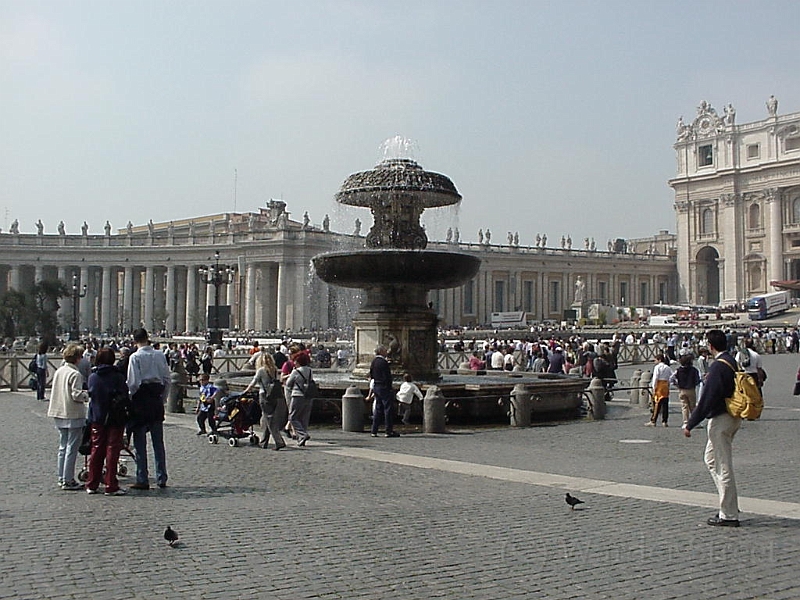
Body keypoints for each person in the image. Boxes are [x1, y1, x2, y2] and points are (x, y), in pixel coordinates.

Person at [683, 329, 741, 527]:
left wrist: (690, 424)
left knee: (723, 466)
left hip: (721, 419)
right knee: (710, 459)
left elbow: (707, 400)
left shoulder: (718, 367)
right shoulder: (732, 361)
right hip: (732, 417)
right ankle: (728, 502)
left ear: (710, 346)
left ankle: (729, 514)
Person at [126, 328, 170, 490]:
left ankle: (142, 478)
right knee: (158, 443)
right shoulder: (159, 355)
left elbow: (133, 383)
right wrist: (163, 399)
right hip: (156, 400)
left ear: (134, 340)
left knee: (140, 443)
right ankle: (161, 477)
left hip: (141, 401)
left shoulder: (135, 357)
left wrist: (131, 400)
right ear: (148, 338)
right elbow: (167, 379)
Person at [85, 347, 129, 496]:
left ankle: (92, 484)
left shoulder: (93, 376)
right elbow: (124, 394)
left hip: (97, 417)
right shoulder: (117, 376)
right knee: (112, 450)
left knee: (96, 450)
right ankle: (111, 484)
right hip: (115, 417)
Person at [47, 343, 89, 491]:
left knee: (62, 447)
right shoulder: (75, 374)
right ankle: (68, 479)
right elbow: (76, 395)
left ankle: (61, 477)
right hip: (72, 413)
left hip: (59, 412)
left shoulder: (60, 371)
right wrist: (87, 395)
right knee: (72, 447)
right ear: (77, 358)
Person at [242, 353, 286, 450]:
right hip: (274, 396)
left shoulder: (261, 371)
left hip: (264, 395)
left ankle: (279, 441)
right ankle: (264, 442)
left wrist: (244, 392)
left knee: (270, 419)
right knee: (267, 418)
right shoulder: (274, 370)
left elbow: (253, 383)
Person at [285, 351, 314, 446]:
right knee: (304, 417)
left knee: (292, 417)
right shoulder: (309, 370)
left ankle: (302, 434)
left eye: (295, 361)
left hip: (297, 395)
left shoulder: (295, 371)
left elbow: (288, 383)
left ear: (298, 362)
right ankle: (301, 439)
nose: (294, 363)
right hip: (308, 396)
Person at [369, 345, 398, 438]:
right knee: (388, 409)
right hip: (384, 387)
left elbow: (371, 374)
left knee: (378, 409)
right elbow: (387, 376)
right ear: (381, 351)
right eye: (385, 350)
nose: (387, 352)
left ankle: (374, 430)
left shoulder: (374, 361)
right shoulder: (383, 362)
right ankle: (388, 431)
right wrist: (389, 387)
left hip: (377, 386)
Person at [670, 351, 701, 428]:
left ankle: (685, 422)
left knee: (684, 406)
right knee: (692, 406)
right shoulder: (694, 370)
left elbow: (671, 378)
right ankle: (694, 422)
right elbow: (698, 379)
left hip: (682, 389)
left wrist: (676, 384)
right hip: (691, 389)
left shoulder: (678, 370)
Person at [648, 354, 672, 427]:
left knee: (657, 403)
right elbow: (672, 376)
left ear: (659, 360)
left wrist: (653, 387)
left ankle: (653, 420)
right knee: (665, 404)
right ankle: (665, 421)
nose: (654, 361)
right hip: (665, 385)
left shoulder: (657, 367)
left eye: (655, 360)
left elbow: (655, 377)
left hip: (659, 386)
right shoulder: (668, 367)